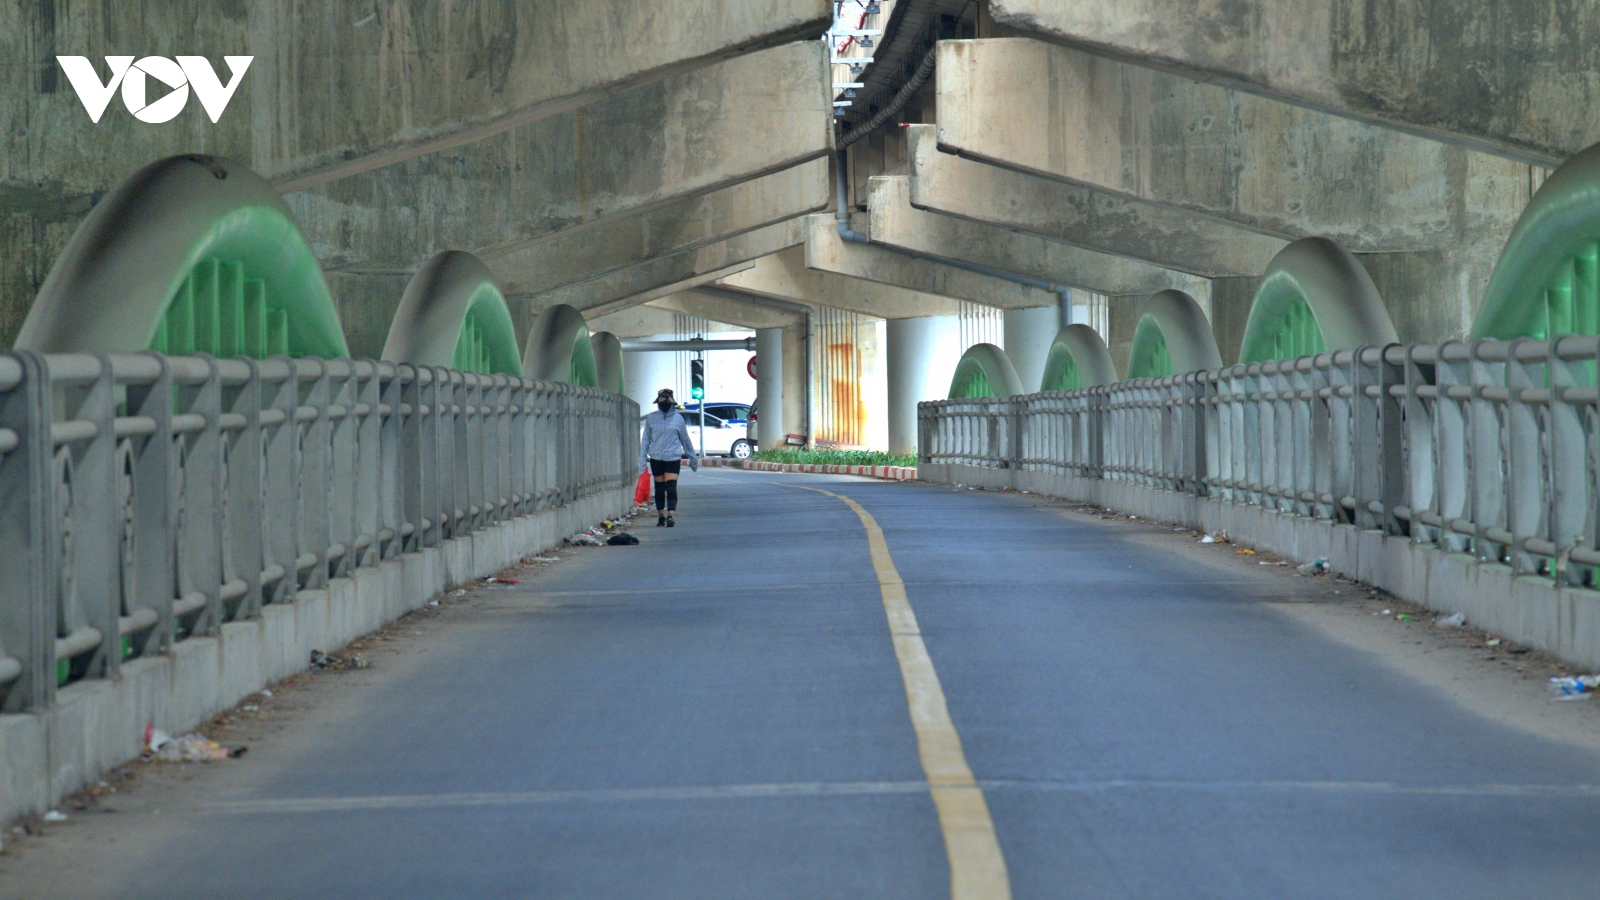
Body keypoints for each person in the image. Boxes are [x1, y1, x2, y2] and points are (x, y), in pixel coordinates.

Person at [639, 388, 700, 527]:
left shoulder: (678, 419)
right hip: (656, 458)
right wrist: (642, 460)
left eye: (666, 403)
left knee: (671, 487)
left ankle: (671, 514)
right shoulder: (651, 418)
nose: (664, 405)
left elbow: (685, 440)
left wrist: (693, 457)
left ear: (672, 403)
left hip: (673, 458)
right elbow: (645, 440)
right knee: (659, 488)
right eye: (662, 403)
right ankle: (661, 516)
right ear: (658, 404)